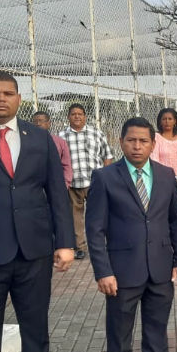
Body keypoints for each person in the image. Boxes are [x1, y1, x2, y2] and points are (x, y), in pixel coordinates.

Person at [0, 71, 75, 352]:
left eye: (9, 93)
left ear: (19, 99)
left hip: (34, 254)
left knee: (36, 334)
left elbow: (57, 192)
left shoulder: (39, 138)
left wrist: (65, 242)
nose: (1, 98)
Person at [86, 117, 177, 352]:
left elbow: (176, 221)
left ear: (153, 144)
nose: (137, 146)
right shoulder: (104, 177)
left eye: (143, 141)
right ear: (120, 142)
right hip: (121, 271)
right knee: (120, 331)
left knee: (156, 330)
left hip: (160, 268)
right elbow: (94, 229)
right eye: (131, 140)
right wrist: (103, 271)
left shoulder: (166, 175)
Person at [59, 103, 113, 259]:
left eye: (80, 114)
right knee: (76, 217)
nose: (77, 116)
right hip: (72, 184)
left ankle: (105, 244)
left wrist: (105, 176)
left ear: (85, 116)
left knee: (100, 214)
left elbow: (107, 155)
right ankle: (80, 247)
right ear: (68, 117)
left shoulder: (96, 133)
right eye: (73, 114)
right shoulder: (61, 136)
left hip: (94, 182)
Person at [150, 108, 177, 208]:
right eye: (164, 119)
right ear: (160, 121)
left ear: (175, 121)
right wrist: (170, 180)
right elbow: (154, 160)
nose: (167, 121)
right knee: (165, 212)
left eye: (170, 119)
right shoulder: (156, 137)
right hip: (163, 181)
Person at [32, 111, 73, 188]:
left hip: (56, 185)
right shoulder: (27, 142)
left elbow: (67, 165)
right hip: (35, 186)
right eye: (35, 121)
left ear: (48, 124)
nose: (38, 124)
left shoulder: (60, 142)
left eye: (41, 121)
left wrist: (65, 184)